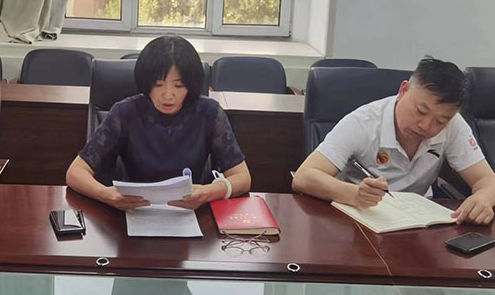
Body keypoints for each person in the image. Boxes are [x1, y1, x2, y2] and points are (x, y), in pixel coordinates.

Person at [292, 56, 495, 225]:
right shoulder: (363, 122)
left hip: (418, 221)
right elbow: (304, 176)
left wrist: (484, 197)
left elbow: (486, 179)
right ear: (404, 90)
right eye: (421, 111)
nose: (426, 126)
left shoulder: (454, 125)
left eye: (440, 121)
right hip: (359, 218)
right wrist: (354, 194)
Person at [66, 36, 251, 211]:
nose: (168, 95)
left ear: (191, 85)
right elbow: (75, 173)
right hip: (134, 213)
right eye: (158, 84)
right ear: (146, 83)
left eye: (178, 86)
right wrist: (107, 195)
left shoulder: (209, 112)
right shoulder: (125, 112)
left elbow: (243, 178)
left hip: (190, 214)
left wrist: (207, 192)